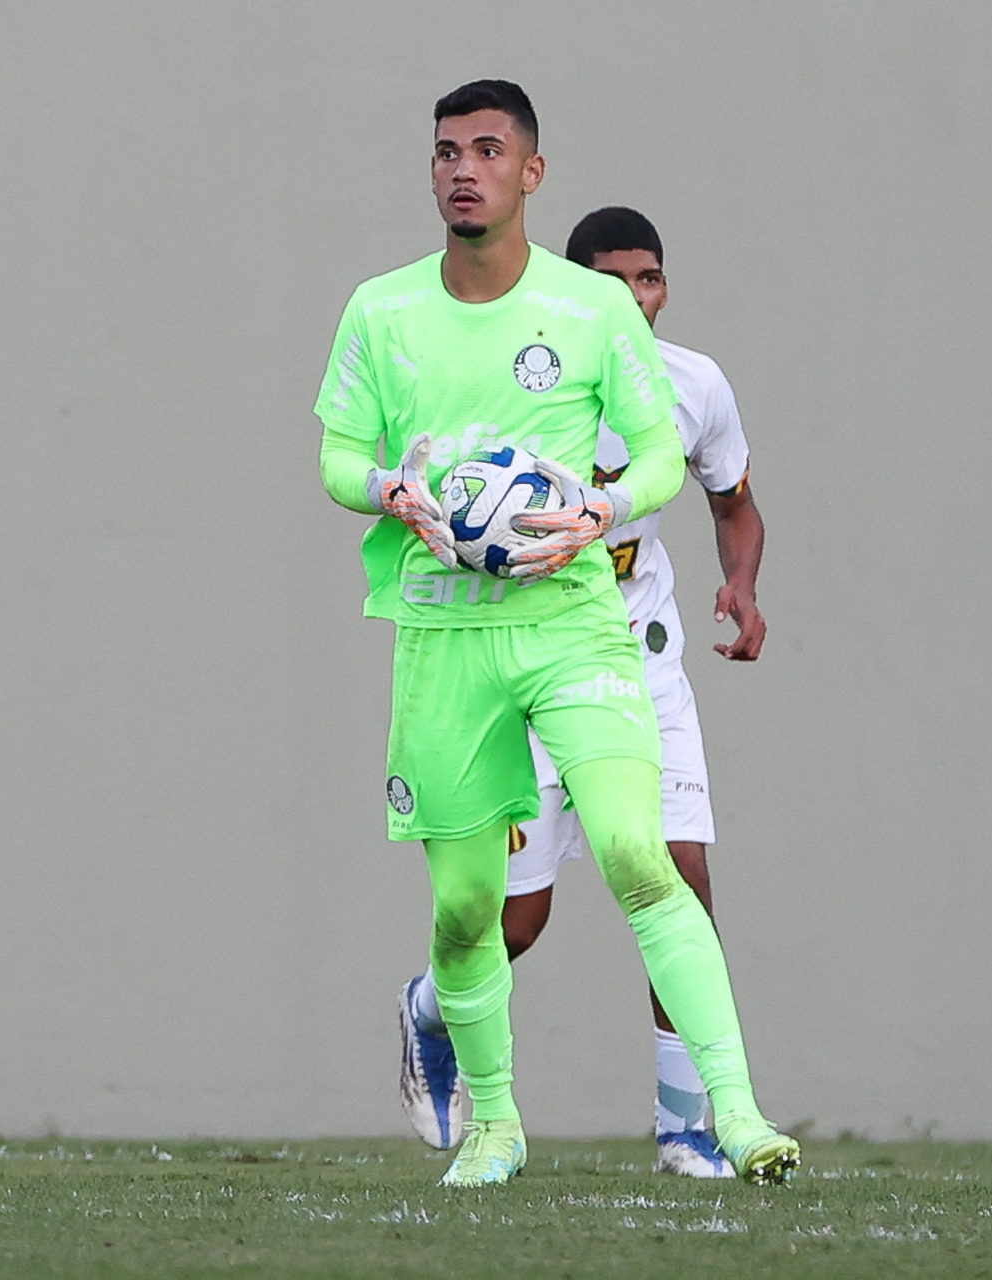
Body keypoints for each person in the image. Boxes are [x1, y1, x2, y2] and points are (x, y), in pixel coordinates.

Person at [315, 79, 798, 1188]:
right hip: (445, 639)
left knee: (646, 857)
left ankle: (728, 1114)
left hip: (581, 630)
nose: (464, 168)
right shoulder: (380, 311)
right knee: (475, 912)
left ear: (530, 171)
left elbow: (666, 458)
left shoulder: (593, 316)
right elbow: (337, 455)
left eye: (488, 150)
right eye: (447, 151)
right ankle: (494, 1124)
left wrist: (605, 507)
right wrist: (386, 487)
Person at [399, 207, 768, 1179]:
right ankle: (431, 1008)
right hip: (529, 660)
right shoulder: (521, 380)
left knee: (676, 874)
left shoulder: (692, 385)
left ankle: (685, 1125)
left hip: (636, 660)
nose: (634, 299)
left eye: (648, 278)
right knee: (513, 923)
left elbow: (733, 503)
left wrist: (741, 584)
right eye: (611, 282)